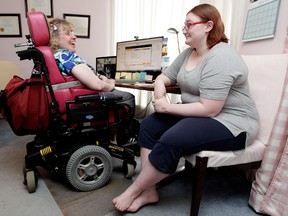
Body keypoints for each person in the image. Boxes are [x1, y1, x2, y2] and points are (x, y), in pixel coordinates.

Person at [112, 3, 259, 212]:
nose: (184, 29)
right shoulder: (189, 53)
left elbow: (209, 109)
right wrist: (160, 88)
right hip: (200, 115)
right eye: (184, 25)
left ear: (209, 26)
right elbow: (164, 76)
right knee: (150, 124)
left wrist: (167, 108)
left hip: (232, 122)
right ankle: (149, 190)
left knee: (173, 137)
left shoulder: (222, 56)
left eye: (189, 24)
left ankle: (134, 190)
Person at [48, 18, 135, 114]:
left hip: (74, 96)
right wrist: (111, 83)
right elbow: (98, 85)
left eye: (73, 33)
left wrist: (101, 77)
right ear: (55, 40)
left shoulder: (53, 56)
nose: (74, 37)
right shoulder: (66, 56)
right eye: (68, 33)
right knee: (128, 97)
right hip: (86, 97)